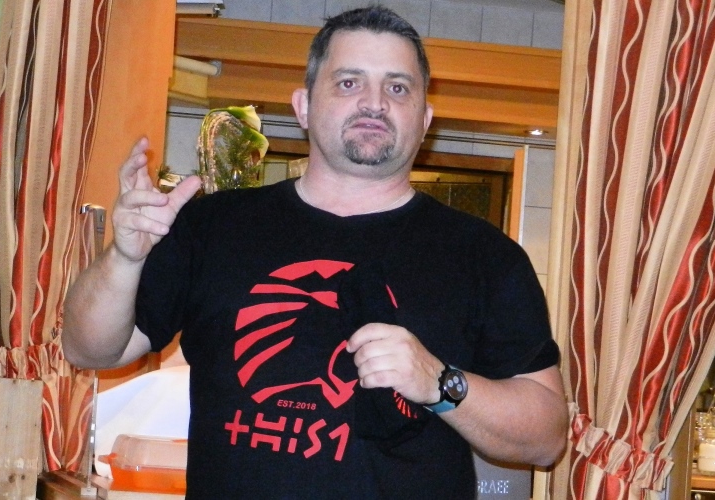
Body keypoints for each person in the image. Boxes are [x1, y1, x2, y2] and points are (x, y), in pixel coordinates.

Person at [63, 6, 568, 498]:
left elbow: (546, 438)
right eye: (349, 82)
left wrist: (440, 382)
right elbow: (89, 350)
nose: (375, 103)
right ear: (303, 106)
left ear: (425, 118)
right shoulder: (212, 226)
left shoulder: (485, 256)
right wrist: (124, 257)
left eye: (398, 87)